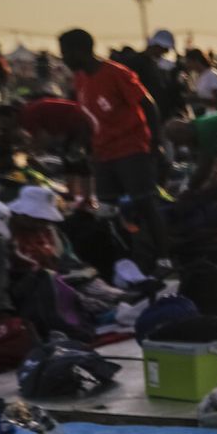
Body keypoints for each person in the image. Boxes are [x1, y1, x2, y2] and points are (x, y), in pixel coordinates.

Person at [58, 28, 168, 270]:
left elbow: (148, 105)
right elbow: (89, 116)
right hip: (103, 154)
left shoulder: (116, 73)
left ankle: (163, 257)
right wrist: (84, 145)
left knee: (144, 203)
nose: (63, 58)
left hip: (131, 148)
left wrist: (155, 142)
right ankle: (122, 259)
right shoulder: (80, 79)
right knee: (107, 209)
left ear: (81, 51)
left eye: (65, 53)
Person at [18, 91, 94, 204]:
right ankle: (71, 193)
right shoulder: (31, 111)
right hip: (72, 125)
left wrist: (28, 153)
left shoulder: (28, 115)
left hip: (81, 123)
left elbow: (42, 138)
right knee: (69, 160)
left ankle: (87, 198)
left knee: (81, 162)